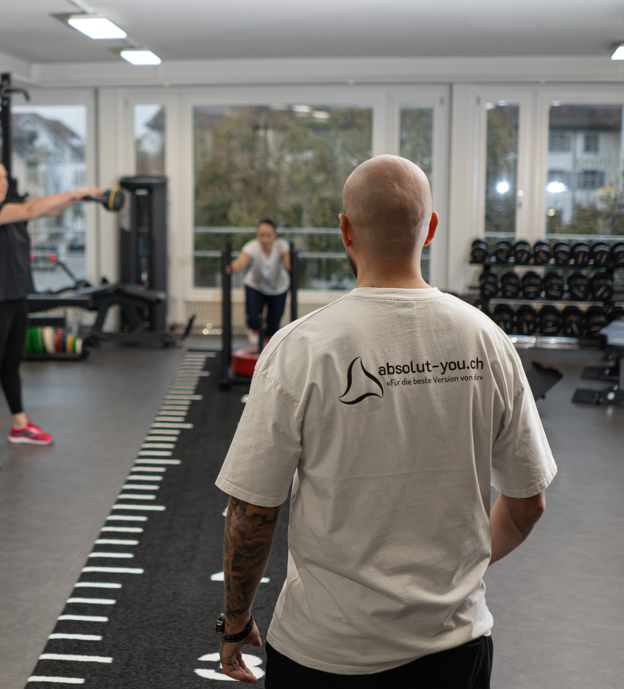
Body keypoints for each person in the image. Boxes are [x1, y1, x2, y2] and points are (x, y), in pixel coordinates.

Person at [214, 155, 556, 688]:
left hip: (323, 653)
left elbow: (253, 512)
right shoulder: (488, 340)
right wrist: (449, 582)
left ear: (345, 230)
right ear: (431, 230)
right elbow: (528, 503)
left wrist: (235, 622)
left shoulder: (300, 348)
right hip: (454, 648)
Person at [0, 160, 100, 470]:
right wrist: (79, 190)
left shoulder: (11, 213)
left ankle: (19, 425)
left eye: (5, 177)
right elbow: (32, 209)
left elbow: (46, 210)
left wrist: (77, 199)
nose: (3, 182)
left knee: (10, 366)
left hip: (15, 297)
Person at [227, 219, 291, 344]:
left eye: (268, 235)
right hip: (255, 286)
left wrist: (289, 265)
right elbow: (242, 261)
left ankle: (267, 345)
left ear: (274, 235)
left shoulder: (281, 245)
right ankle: (256, 335)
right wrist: (232, 267)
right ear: (257, 235)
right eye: (261, 235)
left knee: (273, 326)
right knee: (253, 320)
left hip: (278, 288)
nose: (265, 239)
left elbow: (287, 258)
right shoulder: (252, 246)